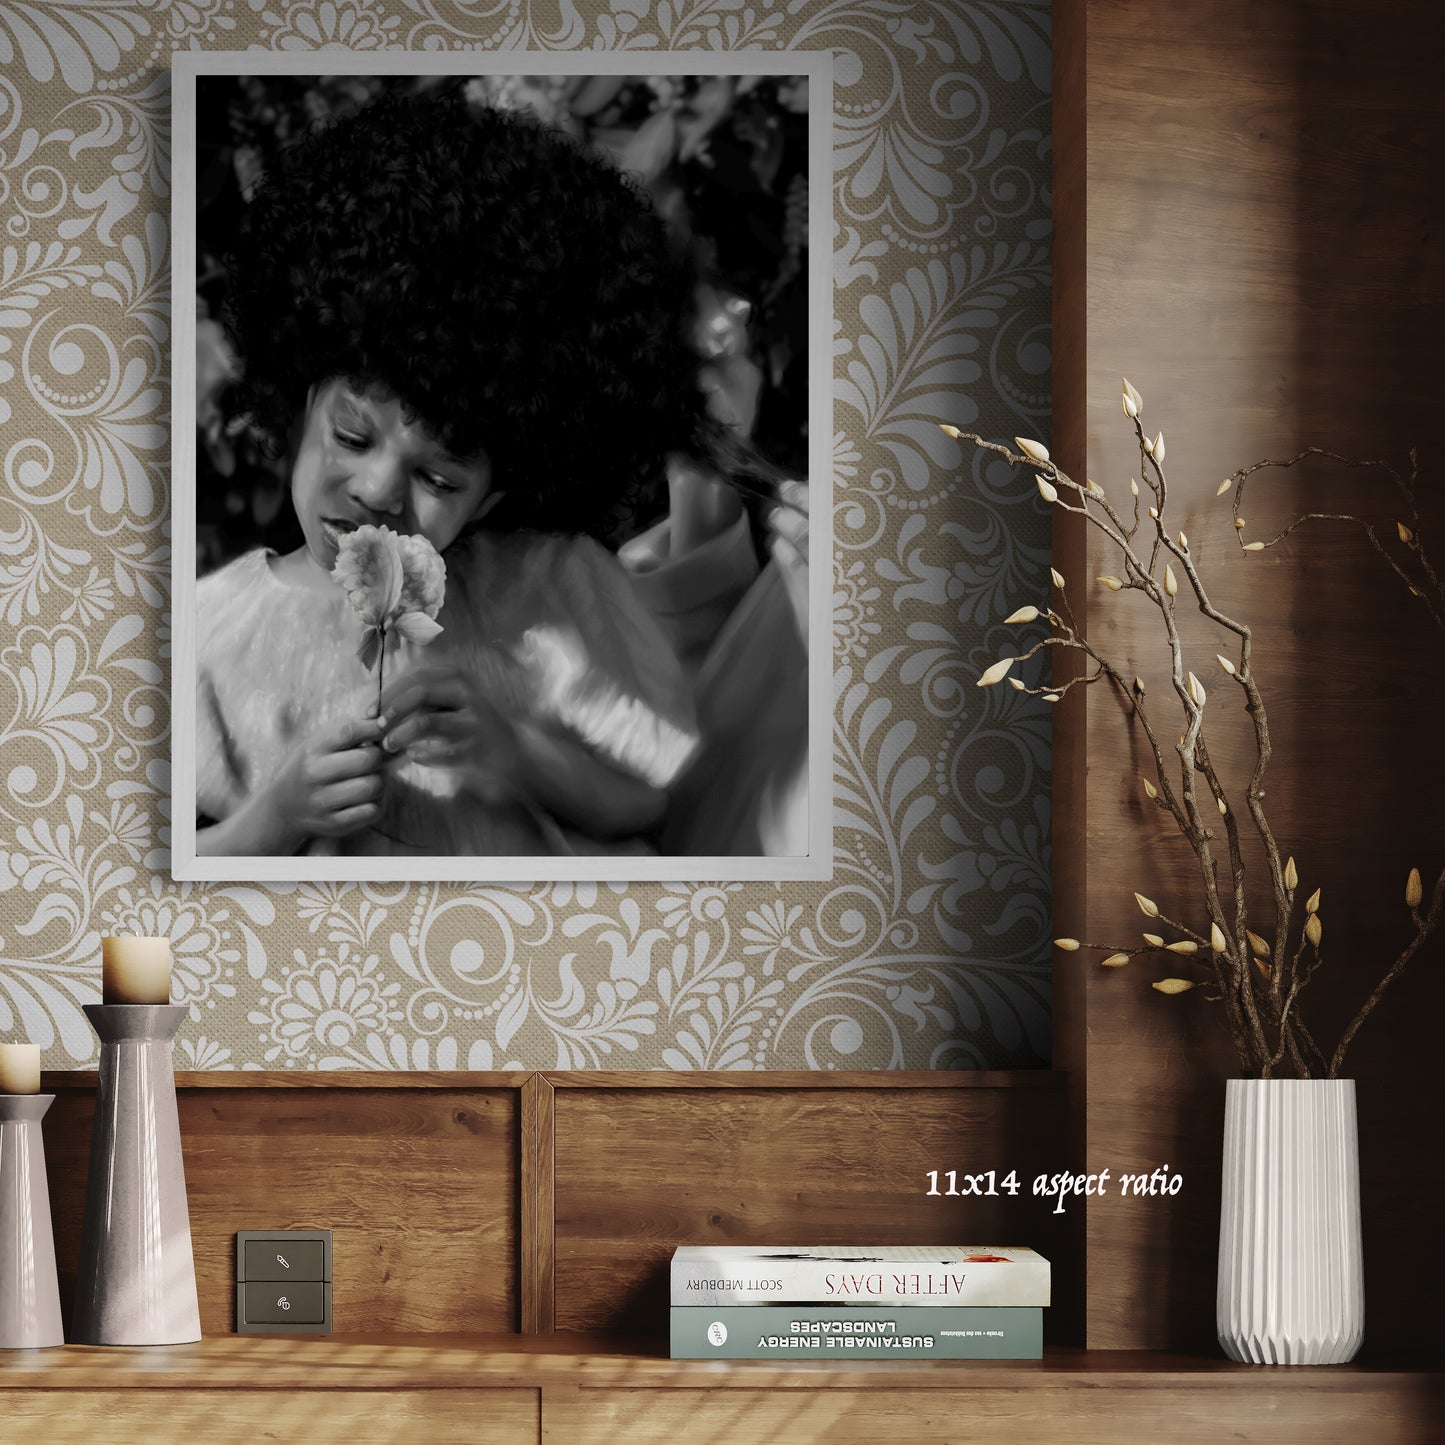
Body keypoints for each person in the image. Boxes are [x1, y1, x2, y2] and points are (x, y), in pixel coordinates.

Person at [194, 89, 711, 859]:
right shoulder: (205, 633)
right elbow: (134, 892)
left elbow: (652, 803)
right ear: (300, 395)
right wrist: (276, 817)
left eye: (438, 479)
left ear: (497, 491)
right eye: (350, 435)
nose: (376, 490)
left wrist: (518, 753)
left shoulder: (555, 586)